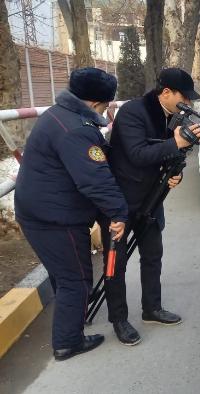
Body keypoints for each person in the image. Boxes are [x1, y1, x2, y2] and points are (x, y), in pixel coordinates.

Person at [14, 68, 128, 361]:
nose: (105, 110)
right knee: (76, 280)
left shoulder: (56, 114)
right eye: (105, 105)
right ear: (94, 103)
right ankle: (68, 341)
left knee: (63, 275)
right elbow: (95, 179)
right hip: (56, 219)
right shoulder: (77, 130)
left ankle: (71, 323)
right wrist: (118, 212)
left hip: (37, 211)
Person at [101, 68, 200, 346]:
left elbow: (170, 155)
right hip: (121, 201)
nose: (189, 105)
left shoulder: (171, 116)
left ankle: (152, 308)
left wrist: (176, 173)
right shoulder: (134, 112)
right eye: (185, 98)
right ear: (166, 92)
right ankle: (119, 320)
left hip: (151, 200)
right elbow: (137, 154)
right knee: (116, 264)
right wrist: (177, 141)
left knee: (152, 255)